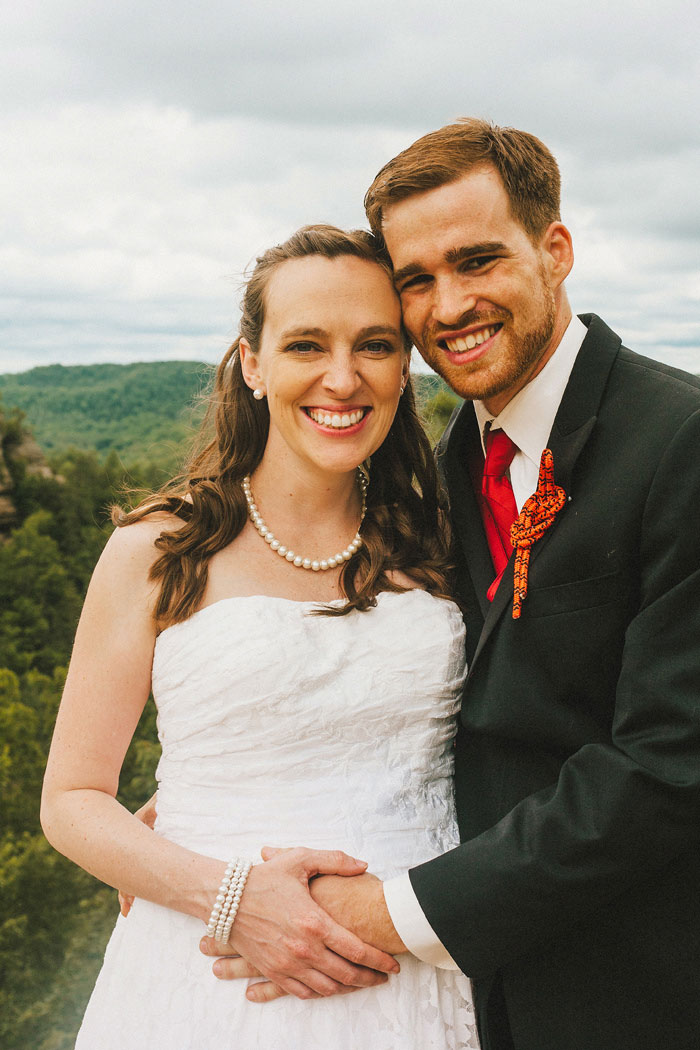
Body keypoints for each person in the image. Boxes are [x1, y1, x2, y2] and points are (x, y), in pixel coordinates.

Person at [210, 121, 700, 1050]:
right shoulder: (441, 470)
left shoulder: (680, 442)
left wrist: (380, 918)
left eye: (478, 261)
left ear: (554, 251)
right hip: (468, 1000)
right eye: (417, 280)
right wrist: (211, 794)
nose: (450, 305)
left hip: (642, 987)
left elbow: (667, 768)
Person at [40, 224, 480, 1049]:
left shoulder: (446, 546)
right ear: (252, 360)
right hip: (209, 975)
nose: (341, 378)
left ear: (404, 365)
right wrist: (230, 893)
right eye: (306, 344)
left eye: (375, 345)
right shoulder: (155, 550)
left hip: (421, 971)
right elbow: (71, 802)